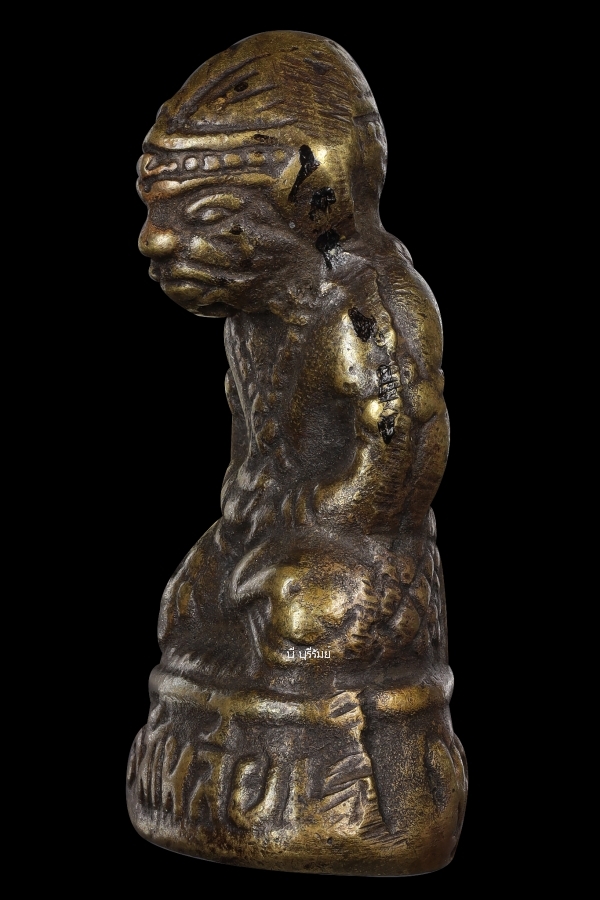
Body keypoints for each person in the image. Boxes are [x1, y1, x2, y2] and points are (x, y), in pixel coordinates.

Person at [129, 30, 466, 875]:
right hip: (267, 532)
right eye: (155, 213)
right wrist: (252, 524)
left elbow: (407, 443)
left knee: (299, 616)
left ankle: (352, 782)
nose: (155, 243)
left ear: (307, 203)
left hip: (358, 556)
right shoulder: (255, 316)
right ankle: (214, 768)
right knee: (184, 606)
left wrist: (330, 518)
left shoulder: (367, 302)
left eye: (205, 217)